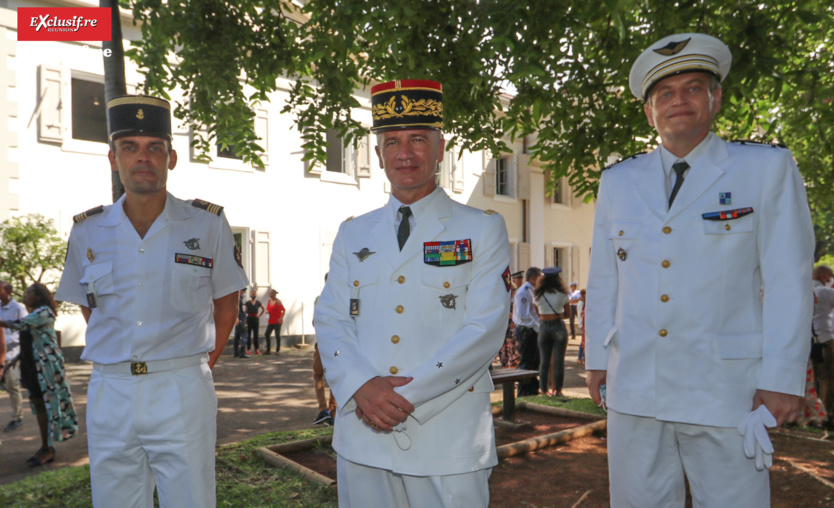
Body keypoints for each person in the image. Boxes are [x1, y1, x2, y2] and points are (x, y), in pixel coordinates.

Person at [586, 33, 814, 507]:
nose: (678, 101)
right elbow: (606, 278)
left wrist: (783, 376)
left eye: (692, 88)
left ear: (716, 98)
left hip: (726, 390)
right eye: (664, 94)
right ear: (649, 111)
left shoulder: (764, 168)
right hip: (635, 388)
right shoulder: (618, 181)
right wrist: (594, 361)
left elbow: (788, 279)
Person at [314, 79, 511, 508]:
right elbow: (330, 318)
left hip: (447, 435)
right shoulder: (353, 232)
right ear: (379, 153)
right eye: (392, 141)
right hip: (362, 437)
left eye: (418, 139)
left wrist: (403, 397)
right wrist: (361, 385)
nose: (405, 153)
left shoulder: (481, 228)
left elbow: (486, 328)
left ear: (440, 149)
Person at [55, 95, 248, 507]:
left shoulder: (207, 223)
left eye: (154, 148)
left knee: (191, 499)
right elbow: (92, 308)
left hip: (180, 386)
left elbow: (226, 309)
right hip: (111, 389)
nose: (143, 158)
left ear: (171, 157)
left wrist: (193, 368)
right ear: (113, 158)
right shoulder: (88, 231)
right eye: (130, 147)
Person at [0, 283, 77, 467]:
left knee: (46, 406)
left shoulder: (44, 312)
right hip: (34, 367)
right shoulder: (36, 313)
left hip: (46, 367)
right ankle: (45, 446)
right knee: (39, 404)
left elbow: (18, 324)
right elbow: (31, 340)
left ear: (38, 296)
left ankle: (48, 448)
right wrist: (13, 360)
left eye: (29, 293)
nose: (25, 295)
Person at [533, 267, 571, 397]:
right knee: (558, 361)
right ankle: (558, 390)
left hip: (543, 326)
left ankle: (543, 390)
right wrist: (558, 313)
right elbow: (567, 314)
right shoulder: (562, 294)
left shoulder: (538, 294)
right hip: (557, 325)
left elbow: (538, 312)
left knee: (544, 361)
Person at [0, 280, 28, 432]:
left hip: (12, 353)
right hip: (0, 352)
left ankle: (18, 418)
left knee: (12, 385)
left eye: (0, 290)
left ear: (8, 291)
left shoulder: (18, 308)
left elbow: (24, 328)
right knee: (8, 386)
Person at [313, 273, 337, 426]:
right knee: (335, 376)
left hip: (322, 344)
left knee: (318, 375)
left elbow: (315, 322)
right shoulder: (342, 299)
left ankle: (323, 410)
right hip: (337, 347)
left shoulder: (319, 299)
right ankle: (333, 412)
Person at [513, 266, 541, 396]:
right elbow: (523, 315)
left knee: (534, 361)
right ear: (533, 278)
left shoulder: (532, 290)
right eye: (539, 277)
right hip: (526, 330)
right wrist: (537, 327)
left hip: (531, 329)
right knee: (526, 361)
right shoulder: (524, 292)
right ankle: (523, 391)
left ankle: (532, 390)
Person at [812, 264, 834, 426]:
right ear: (824, 277)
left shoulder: (801, 289)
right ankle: (825, 416)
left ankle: (806, 416)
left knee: (809, 379)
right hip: (825, 339)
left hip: (805, 340)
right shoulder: (826, 292)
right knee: (827, 379)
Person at [497, 271, 524, 368]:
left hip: (513, 329)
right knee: (505, 352)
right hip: (505, 329)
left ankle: (512, 368)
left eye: (513, 290)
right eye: (511, 290)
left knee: (514, 352)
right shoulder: (502, 300)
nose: (513, 292)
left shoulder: (516, 298)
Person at [264, 289, 285, 355]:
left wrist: (281, 318)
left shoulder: (278, 302)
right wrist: (266, 311)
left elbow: (284, 310)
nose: (270, 295)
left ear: (274, 294)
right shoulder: (269, 300)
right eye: (269, 294)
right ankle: (268, 350)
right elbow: (268, 308)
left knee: (277, 335)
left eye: (271, 294)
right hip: (271, 321)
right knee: (267, 334)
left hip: (277, 322)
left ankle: (277, 350)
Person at [245, 290, 264, 355]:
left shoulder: (258, 302)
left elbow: (263, 309)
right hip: (249, 319)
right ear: (250, 295)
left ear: (255, 295)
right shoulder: (247, 303)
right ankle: (248, 349)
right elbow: (245, 311)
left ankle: (256, 349)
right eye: (252, 294)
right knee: (248, 334)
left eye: (254, 294)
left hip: (256, 319)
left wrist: (259, 315)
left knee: (256, 334)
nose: (253, 295)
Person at [233, 289, 251, 358]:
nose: (244, 293)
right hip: (241, 320)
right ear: (240, 292)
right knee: (244, 336)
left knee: (237, 336)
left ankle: (236, 352)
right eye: (243, 291)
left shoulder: (240, 300)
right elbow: (236, 309)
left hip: (240, 320)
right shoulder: (238, 300)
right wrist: (237, 318)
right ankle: (242, 353)